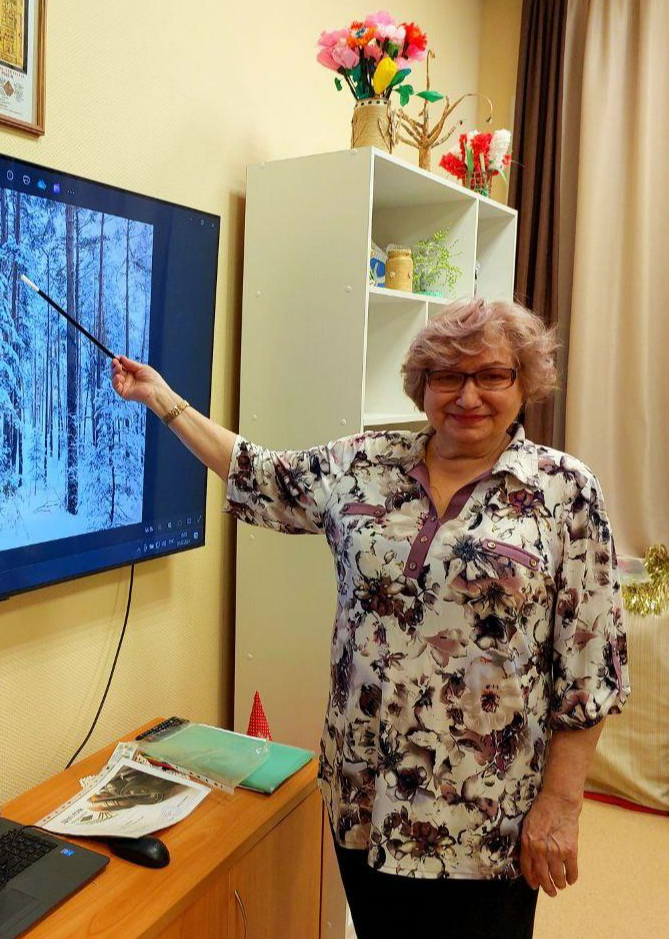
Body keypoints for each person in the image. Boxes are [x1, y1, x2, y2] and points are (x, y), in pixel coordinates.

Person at [110, 298, 630, 939]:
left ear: (524, 383)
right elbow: (260, 473)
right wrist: (163, 399)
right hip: (366, 791)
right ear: (422, 387)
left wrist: (562, 805)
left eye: (491, 375)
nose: (468, 395)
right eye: (447, 376)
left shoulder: (564, 490)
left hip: (488, 811)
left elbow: (590, 665)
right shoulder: (364, 464)